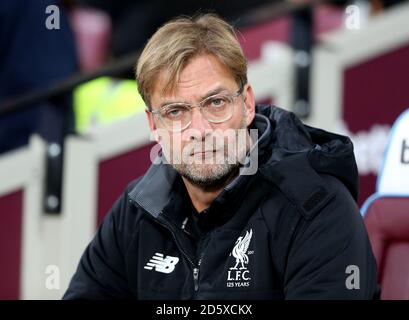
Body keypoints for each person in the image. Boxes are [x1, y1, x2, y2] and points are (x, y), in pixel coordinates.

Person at [64, 13, 380, 299]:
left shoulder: (316, 207)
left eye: (215, 103)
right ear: (153, 125)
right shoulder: (137, 209)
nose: (200, 130)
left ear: (247, 104)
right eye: (176, 112)